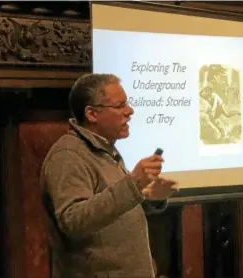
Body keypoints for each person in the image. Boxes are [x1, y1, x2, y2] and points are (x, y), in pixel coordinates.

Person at [40, 73, 178, 278]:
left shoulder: (104, 149)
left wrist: (147, 197)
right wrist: (133, 184)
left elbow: (111, 209)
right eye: (119, 105)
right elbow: (74, 221)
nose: (129, 111)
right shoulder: (68, 155)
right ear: (92, 114)